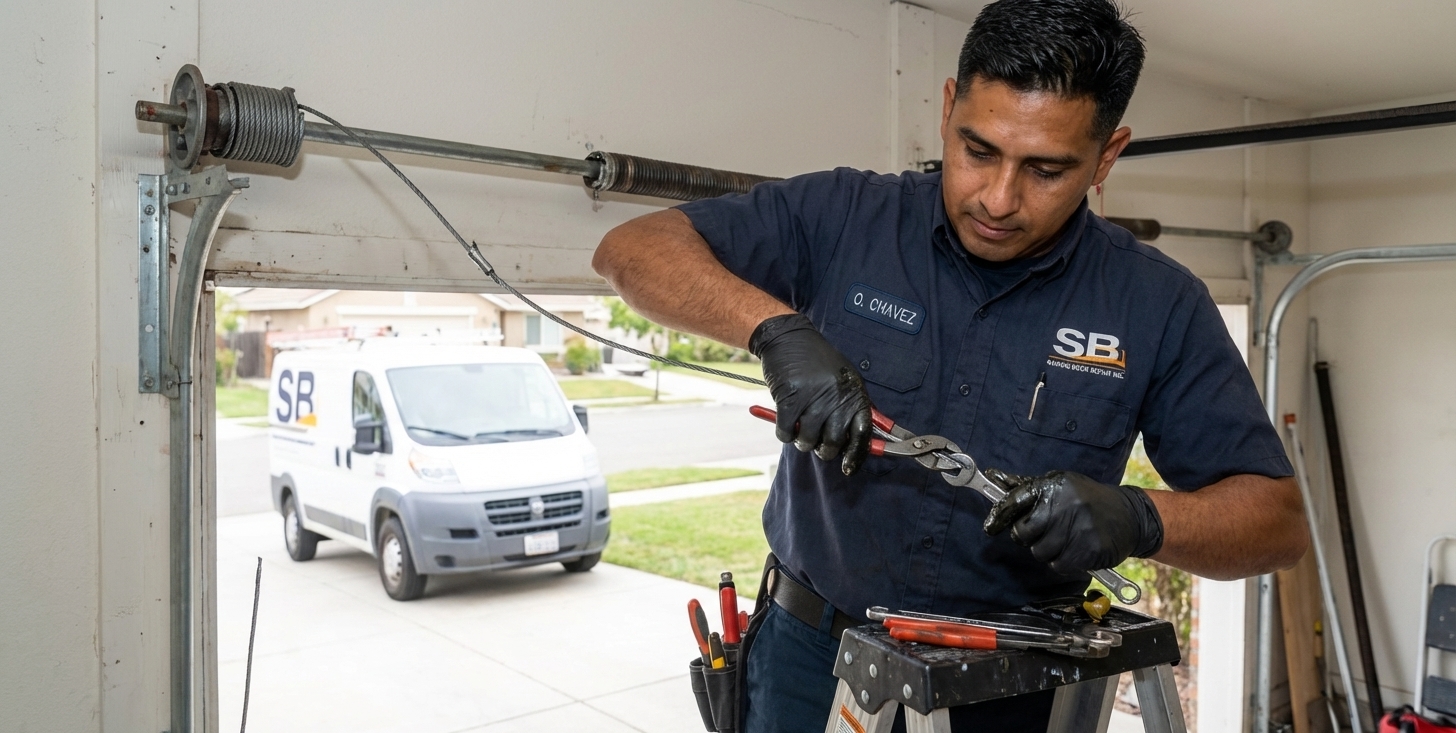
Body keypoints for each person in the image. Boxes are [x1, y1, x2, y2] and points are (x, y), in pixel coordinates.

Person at [593, 0, 1308, 729]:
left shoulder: (1158, 303)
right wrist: (774, 330)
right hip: (810, 662)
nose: (999, 198)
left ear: (1107, 156)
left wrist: (1139, 516)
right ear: (946, 108)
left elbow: (1276, 525)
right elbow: (631, 249)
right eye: (979, 150)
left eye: (1047, 169)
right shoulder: (844, 216)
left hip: (1011, 685)